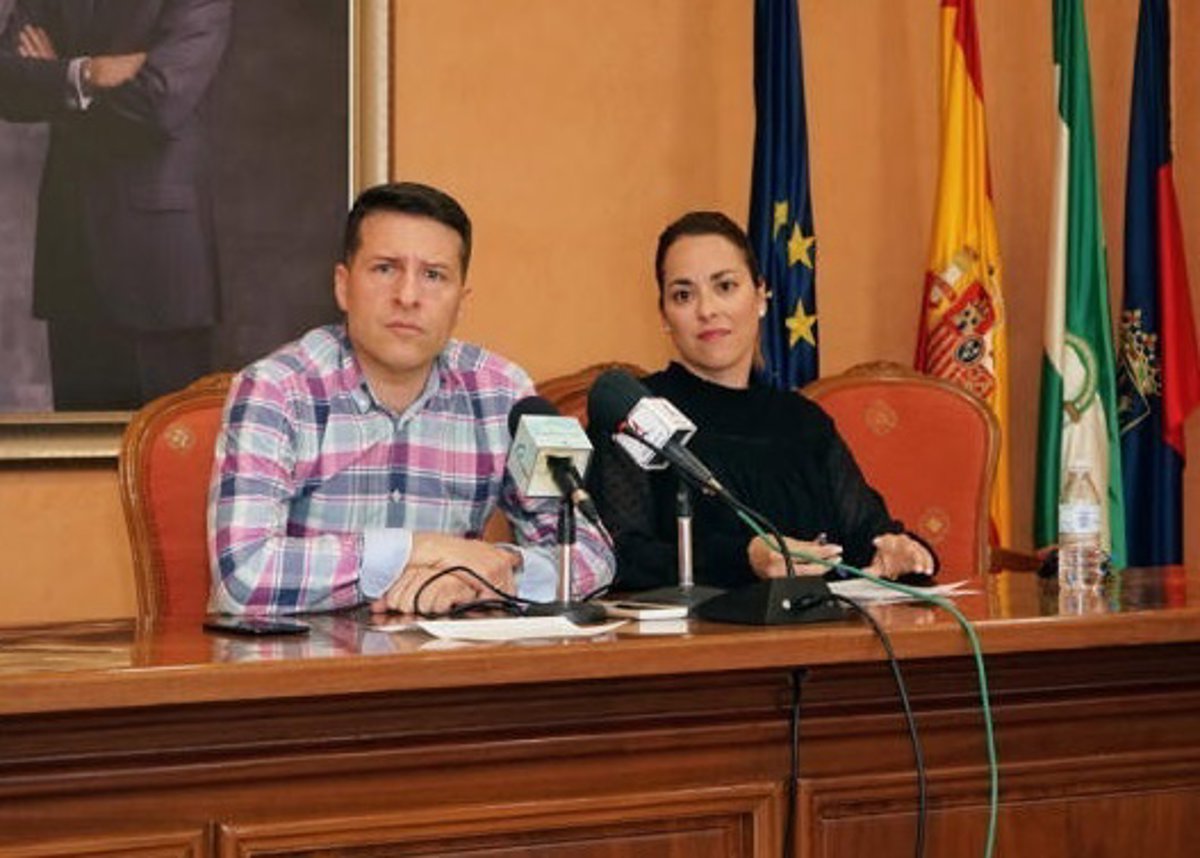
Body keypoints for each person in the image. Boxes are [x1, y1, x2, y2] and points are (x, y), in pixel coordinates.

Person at [208, 182, 613, 616]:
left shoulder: (502, 393)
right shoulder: (276, 390)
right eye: (385, 269)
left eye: (434, 275)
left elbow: (591, 555)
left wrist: (482, 575)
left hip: (449, 652)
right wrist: (418, 549)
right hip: (306, 655)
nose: (407, 297)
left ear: (461, 302)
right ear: (343, 286)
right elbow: (243, 577)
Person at [589, 211, 935, 591]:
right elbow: (618, 556)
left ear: (760, 296)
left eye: (725, 286)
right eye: (683, 295)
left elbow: (867, 534)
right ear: (665, 316)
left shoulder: (804, 420)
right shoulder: (637, 415)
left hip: (822, 627)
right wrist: (744, 559)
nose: (707, 310)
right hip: (698, 628)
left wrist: (905, 552)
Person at [0, 0, 230, 409]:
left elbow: (159, 103)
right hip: (71, 252)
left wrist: (56, 80)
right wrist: (86, 73)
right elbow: (6, 83)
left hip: (159, 266)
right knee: (79, 441)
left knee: (163, 440)